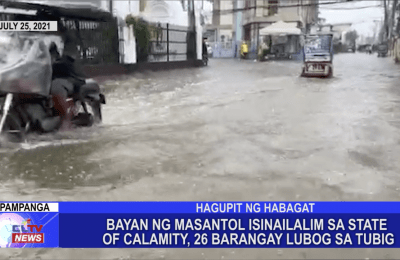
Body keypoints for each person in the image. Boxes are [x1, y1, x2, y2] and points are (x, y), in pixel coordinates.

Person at [48, 42, 86, 130]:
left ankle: (65, 119)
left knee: (56, 86)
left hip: (69, 80)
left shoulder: (63, 61)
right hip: (52, 81)